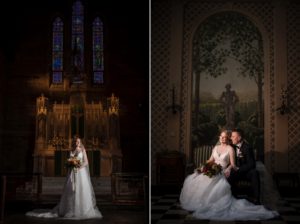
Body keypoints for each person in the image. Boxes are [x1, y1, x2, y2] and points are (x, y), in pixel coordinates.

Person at [179, 130, 278, 220]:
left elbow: (242, 164)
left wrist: (231, 169)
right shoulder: (223, 147)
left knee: (253, 173)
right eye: (221, 137)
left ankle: (255, 199)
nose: (228, 138)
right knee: (198, 178)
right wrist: (204, 167)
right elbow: (211, 160)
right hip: (221, 170)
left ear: (237, 138)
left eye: (229, 137)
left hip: (235, 170)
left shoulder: (241, 148)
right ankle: (202, 202)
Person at [26, 136, 102, 219]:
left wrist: (79, 167)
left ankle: (82, 209)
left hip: (80, 173)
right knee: (71, 190)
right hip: (72, 172)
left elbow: (86, 162)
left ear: (80, 143)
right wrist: (71, 164)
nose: (77, 143)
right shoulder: (71, 150)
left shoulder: (82, 150)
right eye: (76, 142)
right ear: (74, 142)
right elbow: (69, 160)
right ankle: (70, 209)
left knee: (81, 189)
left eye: (79, 142)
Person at [228, 128, 260, 204]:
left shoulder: (247, 147)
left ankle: (256, 198)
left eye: (233, 136)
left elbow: (252, 164)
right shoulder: (231, 147)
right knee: (230, 174)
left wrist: (239, 169)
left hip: (246, 172)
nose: (231, 138)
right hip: (235, 171)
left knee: (254, 173)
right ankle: (232, 197)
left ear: (239, 138)